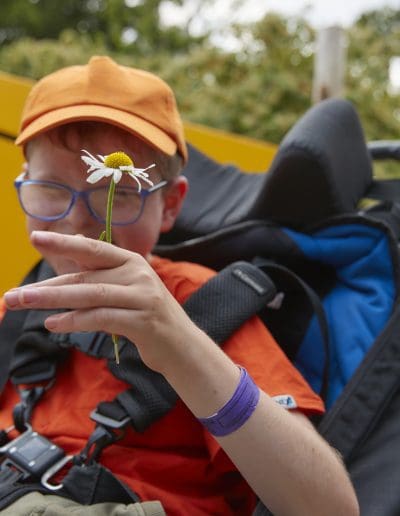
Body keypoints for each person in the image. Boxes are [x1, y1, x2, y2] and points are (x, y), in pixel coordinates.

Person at [1, 55, 359, 515]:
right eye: (51, 188)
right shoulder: (20, 307)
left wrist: (182, 347)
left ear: (170, 205)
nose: (77, 220)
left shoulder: (203, 306)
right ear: (23, 184)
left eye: (118, 192)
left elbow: (329, 508)